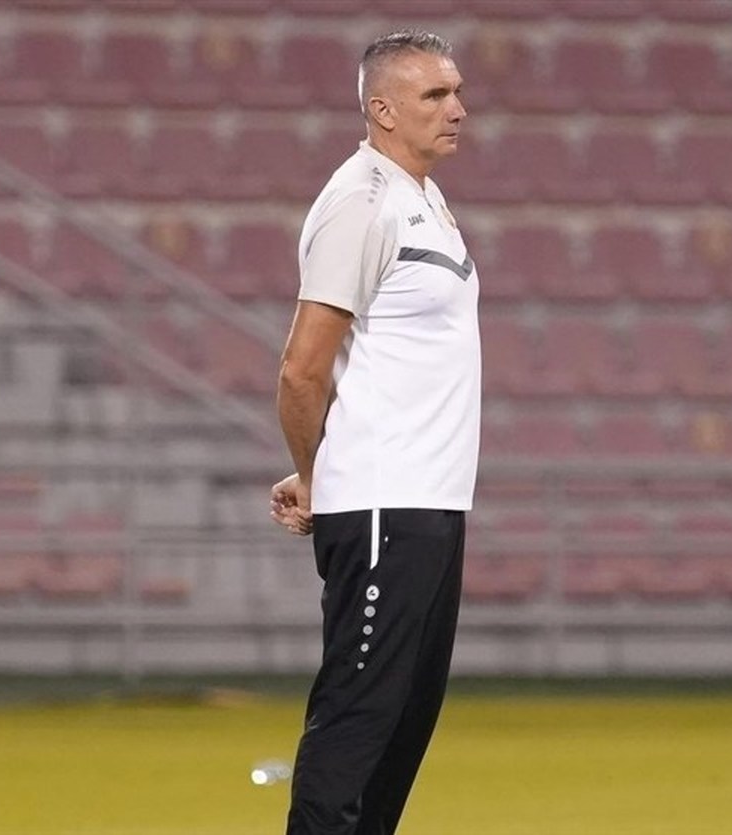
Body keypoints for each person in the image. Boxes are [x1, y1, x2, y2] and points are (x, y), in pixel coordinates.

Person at [269, 29, 480, 835]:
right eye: (436, 95)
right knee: (358, 720)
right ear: (383, 109)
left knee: (402, 727)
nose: (457, 109)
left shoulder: (421, 197)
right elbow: (301, 369)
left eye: (457, 92)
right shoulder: (361, 202)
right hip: (384, 504)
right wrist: (318, 475)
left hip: (431, 503)